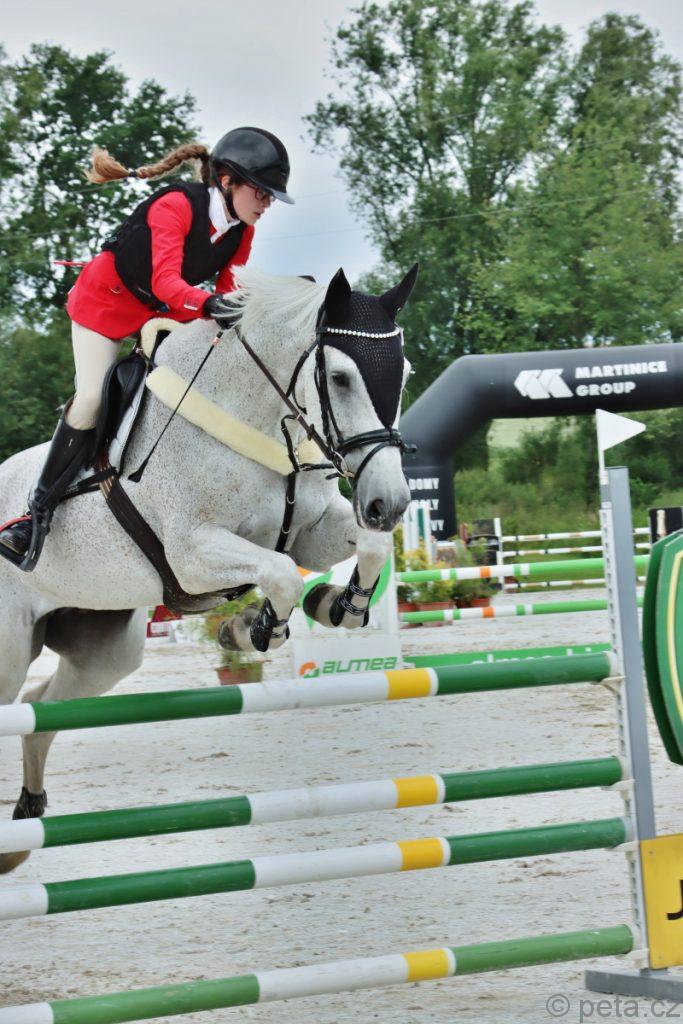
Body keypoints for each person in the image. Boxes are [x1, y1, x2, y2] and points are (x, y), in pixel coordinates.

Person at [0, 127, 294, 569]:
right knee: (92, 398)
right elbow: (167, 281)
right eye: (261, 191)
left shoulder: (242, 232)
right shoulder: (174, 205)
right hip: (107, 301)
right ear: (227, 181)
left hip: (162, 311)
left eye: (271, 195)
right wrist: (209, 305)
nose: (267, 203)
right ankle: (35, 514)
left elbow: (227, 293)